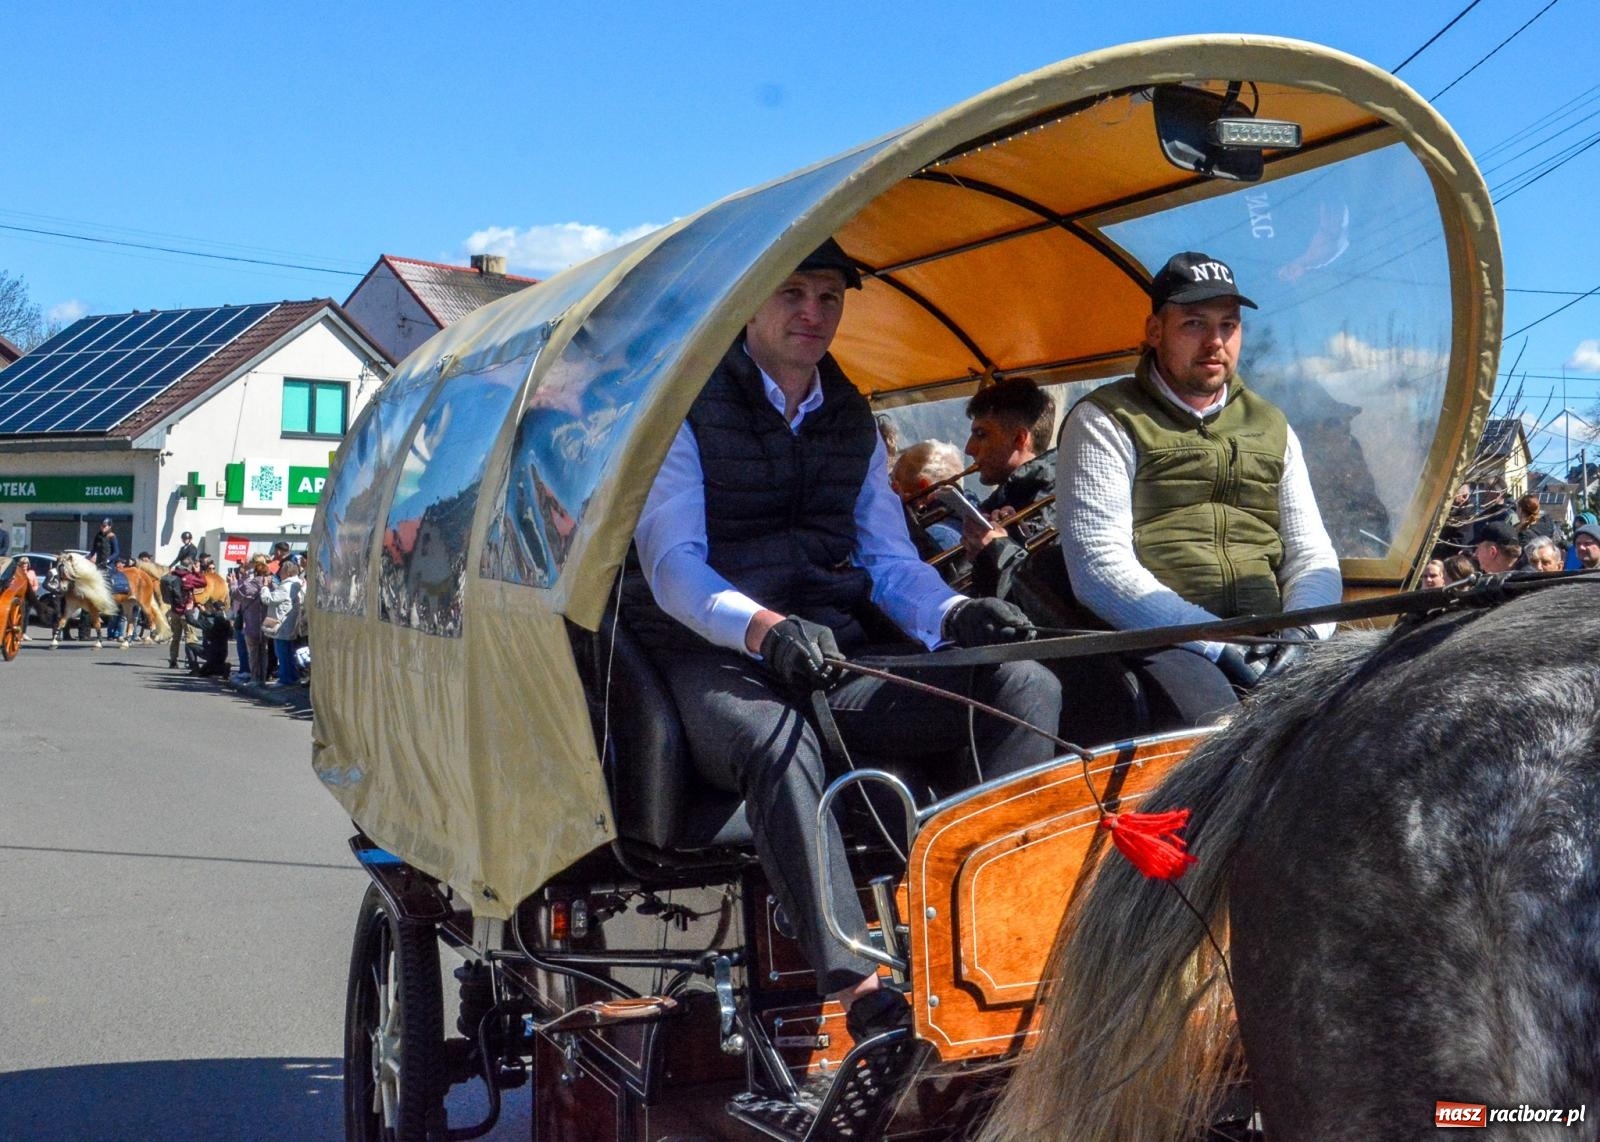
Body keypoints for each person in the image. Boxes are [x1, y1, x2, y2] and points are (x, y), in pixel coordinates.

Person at [625, 238, 1061, 1058]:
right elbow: (673, 566)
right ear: (749, 305)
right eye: (792, 293)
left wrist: (956, 615)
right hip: (705, 654)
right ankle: (858, 988)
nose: (813, 312)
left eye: (828, 297)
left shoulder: (851, 417)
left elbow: (888, 560)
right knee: (777, 739)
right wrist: (766, 629)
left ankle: (990, 934)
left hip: (831, 647)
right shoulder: (684, 407)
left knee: (1024, 686)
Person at [1057, 250, 1341, 727]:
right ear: (1155, 331)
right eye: (1194, 324)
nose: (1215, 342)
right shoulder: (1105, 419)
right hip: (1162, 642)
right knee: (1220, 730)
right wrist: (1215, 643)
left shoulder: (1273, 425)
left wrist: (1303, 637)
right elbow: (1099, 568)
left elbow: (1311, 553)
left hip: (1274, 637)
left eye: (1228, 326)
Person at [889, 440, 967, 558]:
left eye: (895, 483)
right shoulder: (962, 529)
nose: (890, 489)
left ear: (923, 488)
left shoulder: (935, 537)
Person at [261, 560, 305, 686]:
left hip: (282, 623)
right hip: (290, 622)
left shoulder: (286, 586)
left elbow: (268, 599)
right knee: (288, 652)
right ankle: (292, 676)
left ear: (287, 572)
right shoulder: (298, 584)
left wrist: (265, 587)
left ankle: (286, 678)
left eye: (281, 571)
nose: (279, 573)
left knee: (282, 652)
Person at [166, 559, 207, 668]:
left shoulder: (172, 576)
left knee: (175, 637)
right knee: (190, 637)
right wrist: (197, 573)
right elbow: (203, 583)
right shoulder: (189, 577)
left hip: (174, 611)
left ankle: (173, 660)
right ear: (190, 566)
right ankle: (191, 661)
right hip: (186, 611)